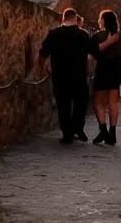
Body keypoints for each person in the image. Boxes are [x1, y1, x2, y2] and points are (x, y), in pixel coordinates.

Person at [38, 8, 91, 144]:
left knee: (63, 105)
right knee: (81, 104)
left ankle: (67, 134)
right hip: (79, 76)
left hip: (60, 76)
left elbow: (43, 53)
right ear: (75, 19)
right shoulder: (83, 35)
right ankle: (77, 127)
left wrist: (44, 67)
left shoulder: (54, 34)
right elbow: (90, 54)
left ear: (63, 19)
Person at [89, 9, 121, 145]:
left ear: (103, 21)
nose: (99, 21)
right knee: (113, 102)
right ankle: (112, 133)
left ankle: (103, 130)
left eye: (100, 19)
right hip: (115, 71)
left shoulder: (97, 36)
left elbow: (92, 53)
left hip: (102, 70)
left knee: (98, 101)